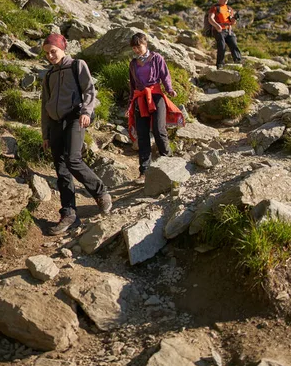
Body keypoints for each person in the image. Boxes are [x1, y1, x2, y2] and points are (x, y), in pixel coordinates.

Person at [41, 34, 112, 235]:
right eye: (47, 53)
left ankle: (101, 192)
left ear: (63, 48)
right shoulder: (48, 75)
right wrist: (45, 134)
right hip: (55, 123)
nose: (50, 56)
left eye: (53, 51)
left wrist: (86, 112)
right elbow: (44, 105)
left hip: (75, 118)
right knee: (61, 168)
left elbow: (89, 90)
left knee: (73, 159)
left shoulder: (77, 65)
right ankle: (69, 214)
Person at [127, 33, 185, 183]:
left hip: (156, 95)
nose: (137, 50)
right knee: (142, 134)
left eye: (138, 46)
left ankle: (168, 163)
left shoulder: (157, 58)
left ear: (145, 44)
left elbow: (165, 75)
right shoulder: (133, 64)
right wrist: (130, 103)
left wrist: (169, 89)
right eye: (134, 47)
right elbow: (132, 85)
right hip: (140, 98)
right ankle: (144, 171)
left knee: (159, 129)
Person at [207, 0, 242, 69]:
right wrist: (217, 25)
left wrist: (234, 19)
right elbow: (210, 18)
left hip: (228, 30)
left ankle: (238, 60)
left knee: (234, 44)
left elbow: (232, 22)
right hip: (219, 30)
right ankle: (220, 64)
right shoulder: (215, 7)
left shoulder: (229, 9)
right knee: (221, 46)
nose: (226, 0)